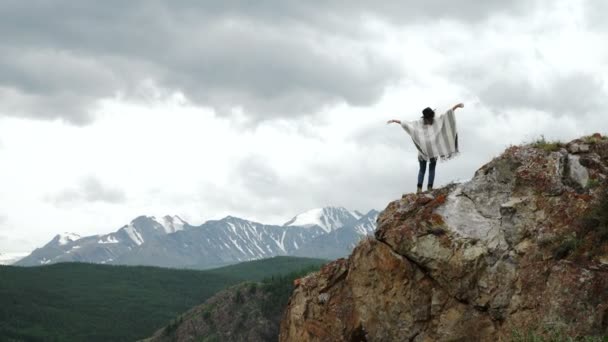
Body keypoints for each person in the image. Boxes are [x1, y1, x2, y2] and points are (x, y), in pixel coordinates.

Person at [387, 103, 464, 193]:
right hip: (423, 152)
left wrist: (457, 106)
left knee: (431, 168)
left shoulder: (437, 121)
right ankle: (419, 189)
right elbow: (407, 124)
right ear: (425, 118)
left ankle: (429, 188)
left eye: (430, 118)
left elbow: (446, 116)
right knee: (422, 169)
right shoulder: (419, 124)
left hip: (433, 152)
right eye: (428, 118)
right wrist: (394, 120)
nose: (430, 120)